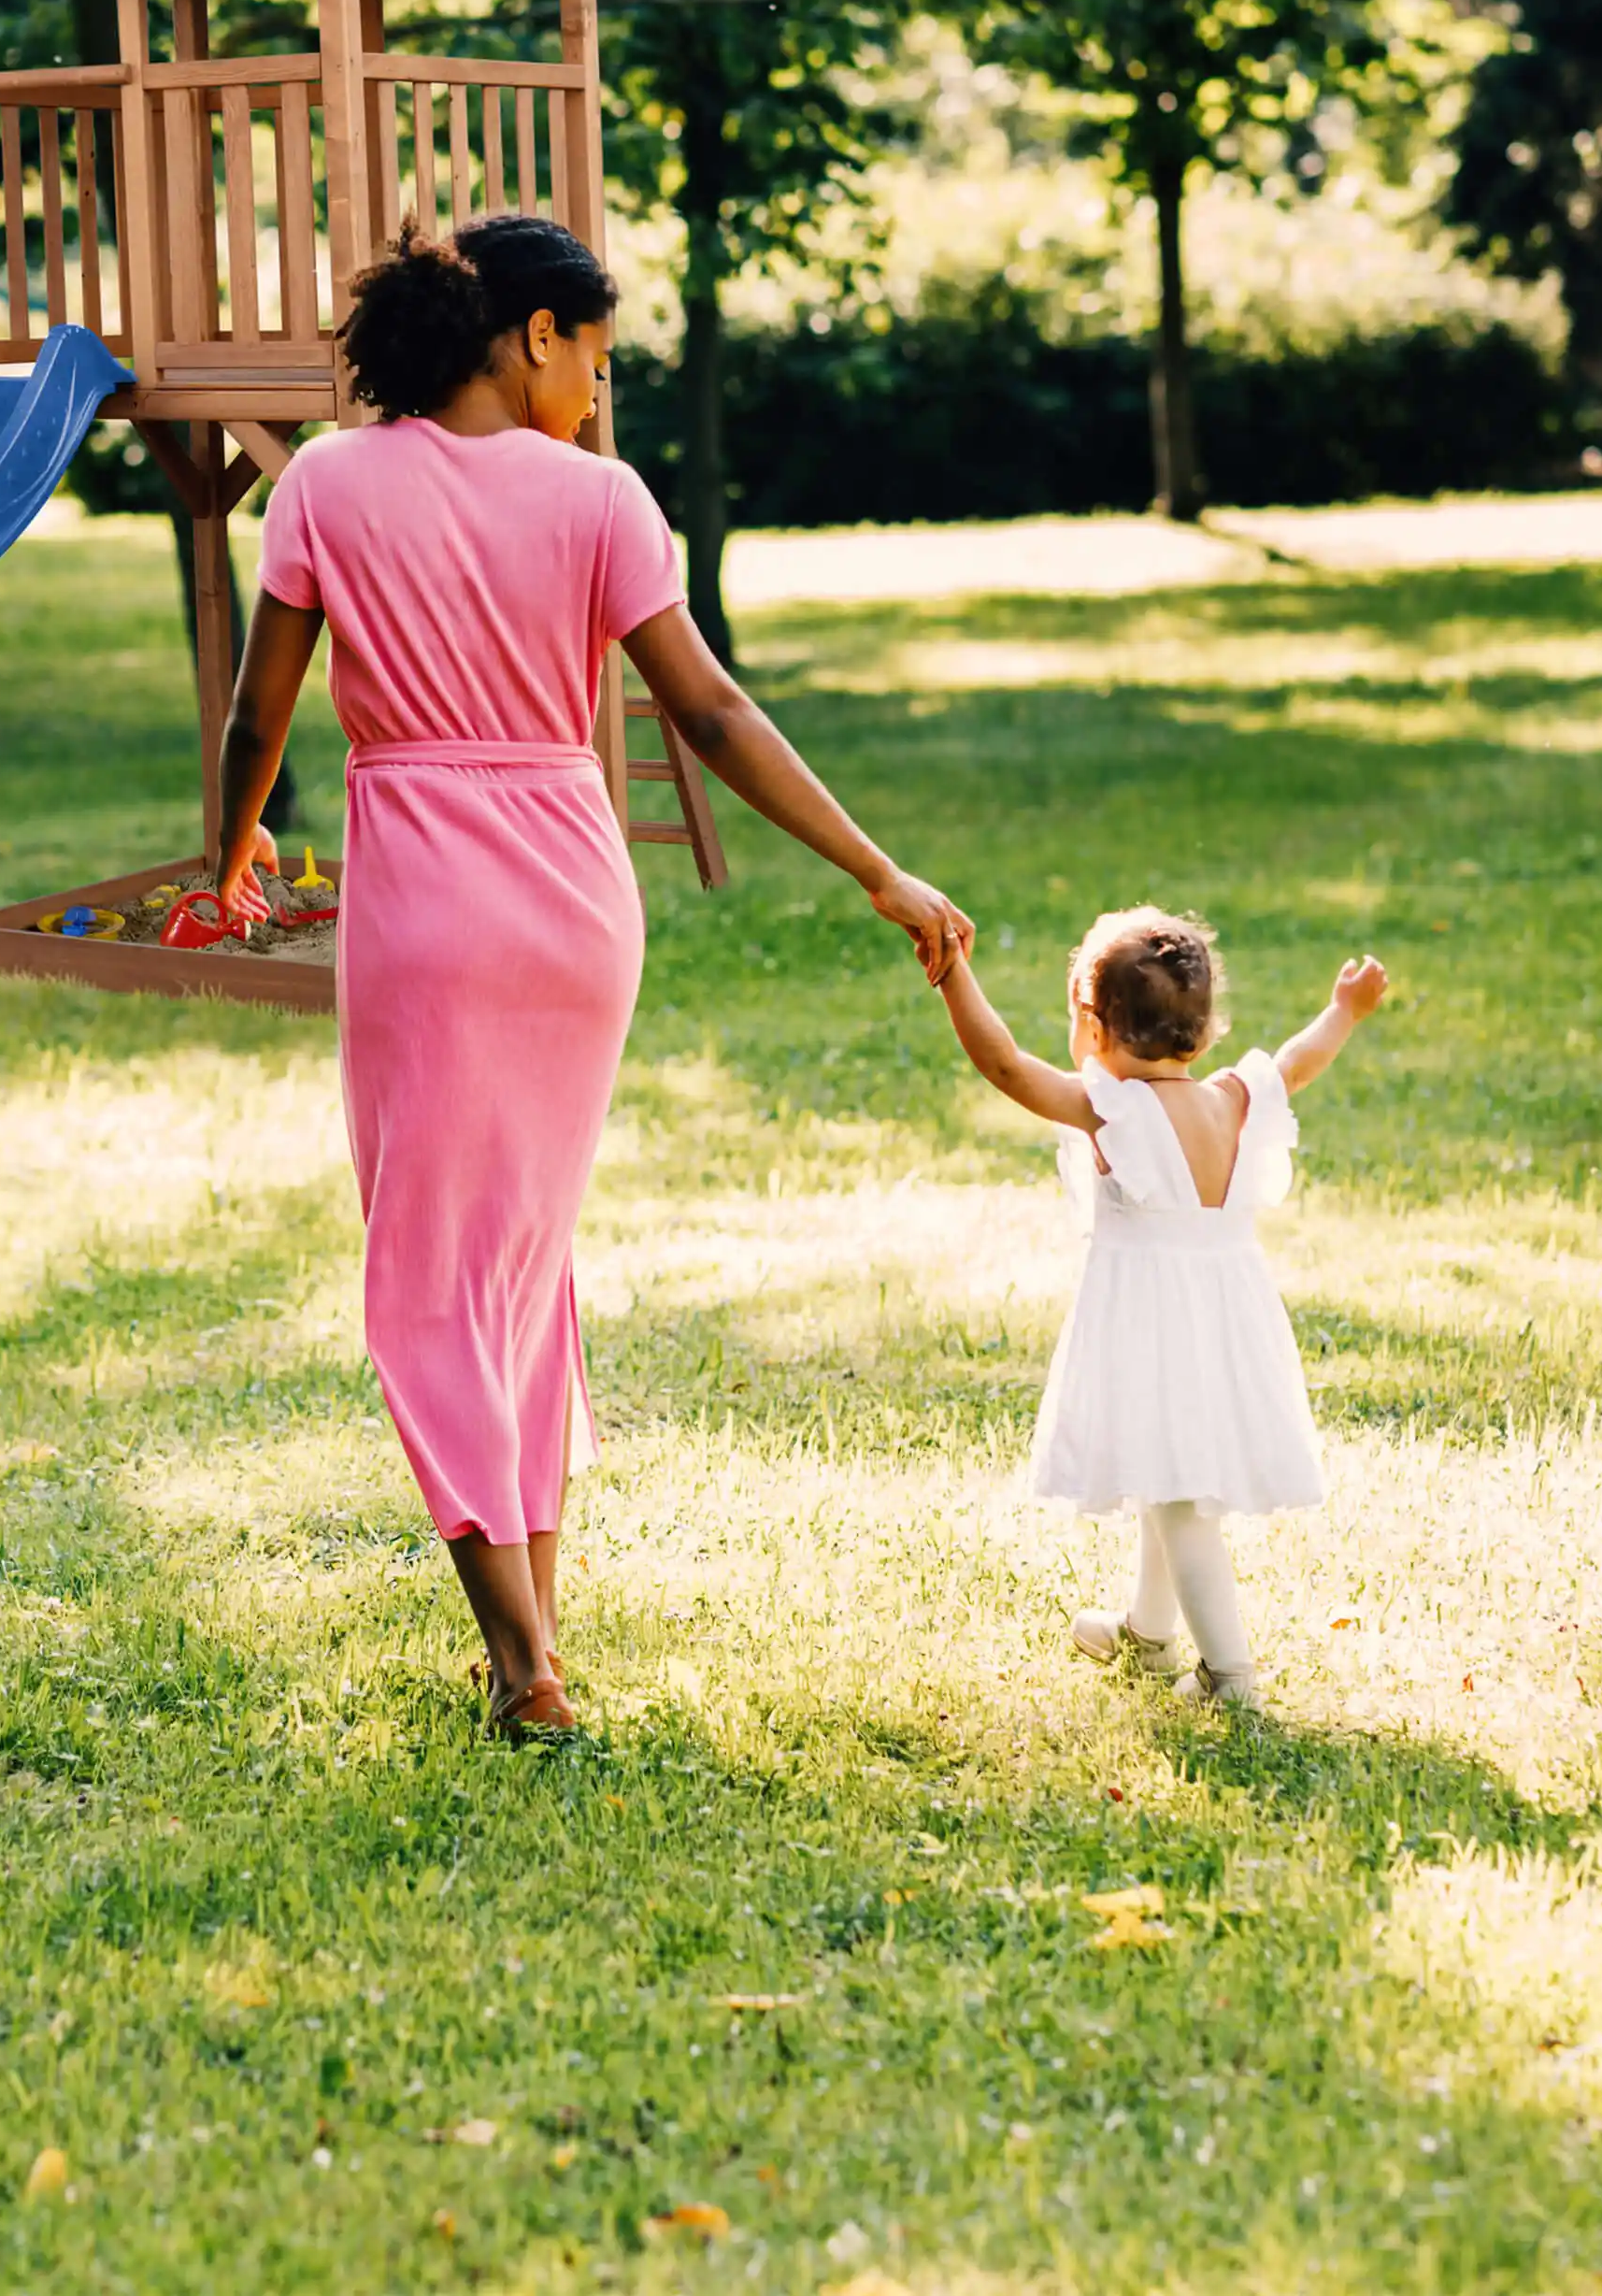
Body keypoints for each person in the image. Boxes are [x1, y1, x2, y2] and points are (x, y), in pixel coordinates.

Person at [213, 216, 971, 1739]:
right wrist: (876, 867)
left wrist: (225, 855)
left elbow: (259, 717)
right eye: (597, 361)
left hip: (425, 906)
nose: (599, 397)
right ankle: (534, 1640)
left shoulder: (326, 483)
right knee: (519, 1267)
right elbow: (711, 715)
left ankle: (519, 1663)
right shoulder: (604, 503)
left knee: (431, 1278)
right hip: (573, 905)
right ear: (532, 335)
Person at [933, 906, 1389, 1705]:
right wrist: (1343, 1011)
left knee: (1180, 1500)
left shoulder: (1113, 1111)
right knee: (1162, 1468)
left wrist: (952, 973)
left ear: (1094, 1027)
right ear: (1205, 1032)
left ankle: (1230, 1676)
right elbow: (1298, 1059)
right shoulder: (1235, 1097)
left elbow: (1004, 1065)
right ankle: (1148, 1633)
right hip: (1225, 1320)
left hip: (1153, 1325)